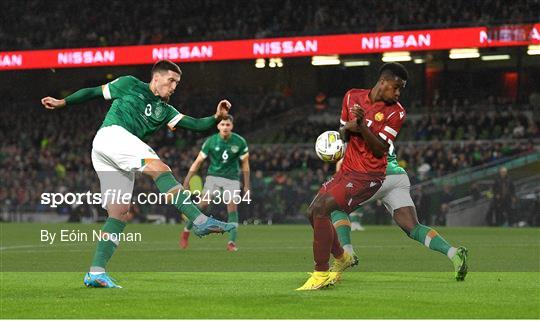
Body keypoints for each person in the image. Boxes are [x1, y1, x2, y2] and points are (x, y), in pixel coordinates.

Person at [41, 60, 236, 288]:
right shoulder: (130, 84)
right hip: (112, 136)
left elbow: (195, 124)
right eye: (171, 80)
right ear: (156, 77)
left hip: (116, 154)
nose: (174, 86)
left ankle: (96, 272)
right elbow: (94, 91)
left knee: (119, 214)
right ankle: (200, 220)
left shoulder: (165, 110)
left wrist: (216, 117)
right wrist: (62, 102)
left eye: (177, 83)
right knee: (160, 169)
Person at [297, 63, 408, 291]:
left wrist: (362, 126)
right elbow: (343, 132)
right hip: (347, 168)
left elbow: (380, 150)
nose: (398, 93)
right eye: (396, 87)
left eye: (401, 89)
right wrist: (345, 132)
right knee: (312, 212)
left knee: (321, 210)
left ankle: (321, 273)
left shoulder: (397, 112)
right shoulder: (351, 97)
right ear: (383, 82)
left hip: (369, 175)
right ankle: (342, 256)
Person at [330, 146, 468, 284]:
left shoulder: (360, 126)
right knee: (414, 227)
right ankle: (453, 253)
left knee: (336, 208)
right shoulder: (383, 126)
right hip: (396, 175)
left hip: (374, 175)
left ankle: (346, 253)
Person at [180, 115, 250, 251]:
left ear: (232, 126)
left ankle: (231, 242)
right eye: (222, 124)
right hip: (214, 177)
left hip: (232, 178)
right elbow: (198, 161)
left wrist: (247, 185)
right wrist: (187, 179)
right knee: (202, 204)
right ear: (218, 126)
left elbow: (245, 164)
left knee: (232, 207)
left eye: (227, 125)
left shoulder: (240, 142)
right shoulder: (211, 141)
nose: (225, 127)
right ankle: (185, 232)